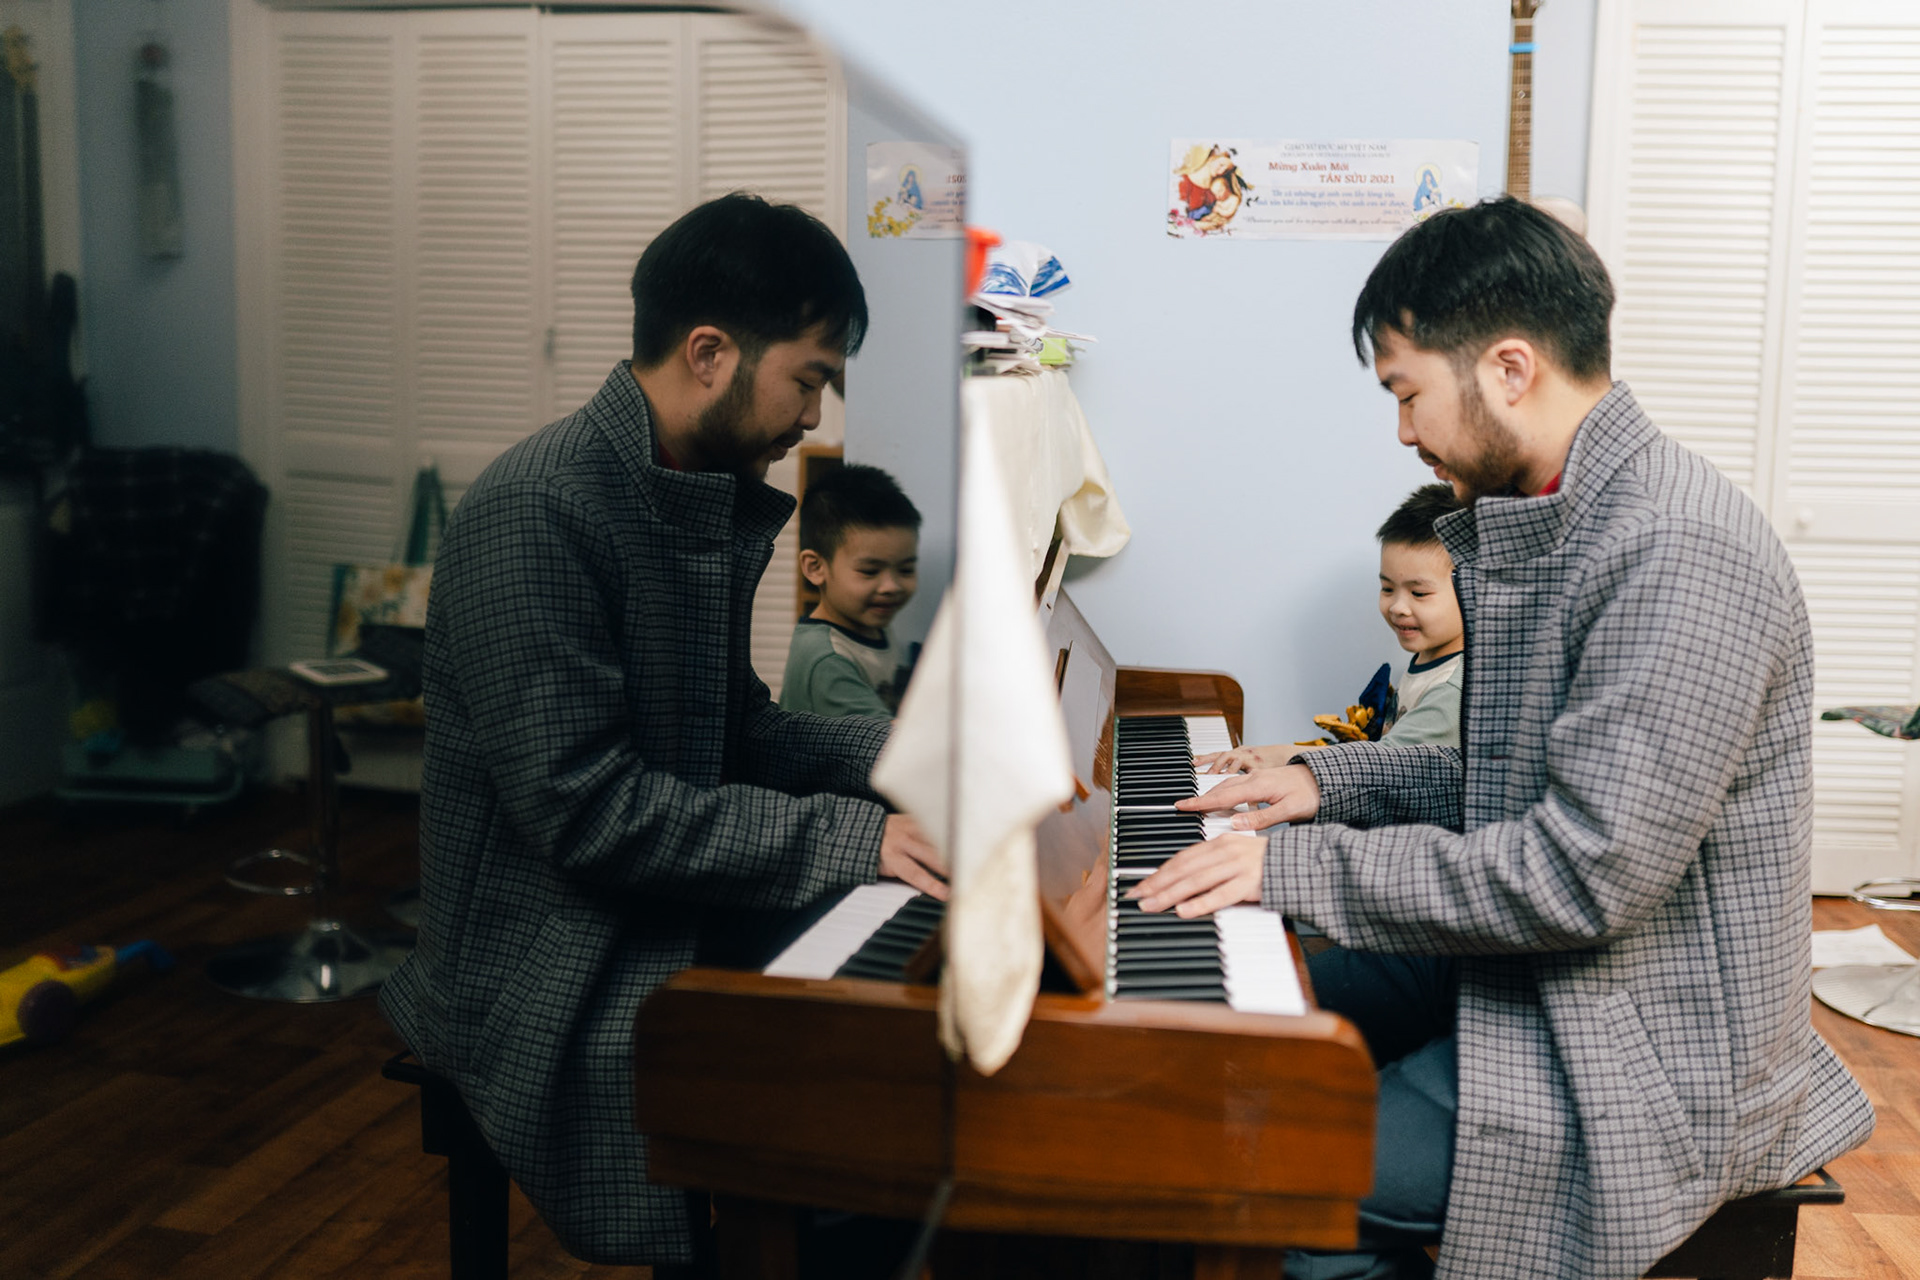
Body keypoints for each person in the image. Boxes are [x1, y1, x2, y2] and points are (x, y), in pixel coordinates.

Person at [1132, 196, 1873, 1280]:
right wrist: (1328, 782)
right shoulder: (1573, 512)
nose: (1403, 432)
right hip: (1551, 979)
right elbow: (1512, 784)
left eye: (1407, 393)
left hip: (1640, 1050)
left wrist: (1288, 865)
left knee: (1277, 1165)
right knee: (1226, 1029)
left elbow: (1579, 873)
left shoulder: (1676, 549)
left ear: (1510, 369)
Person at [377, 193, 946, 1271]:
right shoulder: (537, 510)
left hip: (644, 899)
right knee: (862, 1064)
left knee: (907, 995)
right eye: (809, 379)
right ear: (710, 354)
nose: (814, 417)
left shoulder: (682, 485)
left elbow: (734, 729)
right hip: (545, 952)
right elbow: (589, 812)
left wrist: (909, 760)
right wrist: (859, 837)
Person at [1202, 483, 1465, 774]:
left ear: (1474, 589)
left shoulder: (1454, 690)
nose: (1398, 607)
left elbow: (1384, 764)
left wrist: (1279, 757)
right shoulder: (1430, 660)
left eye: (1419, 593)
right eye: (1387, 588)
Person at [780, 463, 921, 719]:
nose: (891, 586)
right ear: (815, 567)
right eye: (870, 571)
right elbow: (884, 740)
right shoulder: (827, 658)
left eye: (906, 569)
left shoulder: (872, 625)